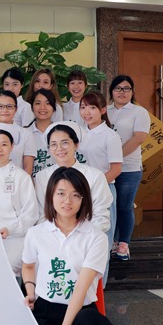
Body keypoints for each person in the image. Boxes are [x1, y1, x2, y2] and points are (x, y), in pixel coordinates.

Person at [22, 167, 117, 325]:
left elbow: (81, 288)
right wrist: (30, 291)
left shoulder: (95, 237)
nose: (68, 201)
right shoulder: (36, 233)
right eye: (61, 193)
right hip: (46, 308)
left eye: (75, 195)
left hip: (81, 308)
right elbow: (28, 265)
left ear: (84, 199)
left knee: (94, 324)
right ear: (51, 196)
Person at [0, 123, 38, 274]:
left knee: (4, 268)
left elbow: (31, 213)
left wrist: (10, 229)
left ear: (12, 147)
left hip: (16, 237)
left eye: (4, 144)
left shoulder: (21, 176)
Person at [34, 122, 112, 237]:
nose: (59, 148)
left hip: (87, 237)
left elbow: (100, 215)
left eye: (65, 143)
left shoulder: (95, 176)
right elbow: (42, 214)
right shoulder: (42, 177)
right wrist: (55, 237)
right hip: (53, 238)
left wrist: (81, 237)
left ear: (76, 145)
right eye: (53, 144)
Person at [79, 92, 124, 278]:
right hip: (79, 193)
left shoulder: (110, 136)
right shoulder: (80, 133)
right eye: (83, 107)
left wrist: (94, 186)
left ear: (103, 110)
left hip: (103, 190)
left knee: (102, 239)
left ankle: (100, 286)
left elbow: (116, 169)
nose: (87, 112)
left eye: (92, 108)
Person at [106, 75, 149, 261]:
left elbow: (139, 138)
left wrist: (116, 157)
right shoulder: (105, 110)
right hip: (107, 167)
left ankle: (124, 243)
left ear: (132, 92)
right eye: (118, 88)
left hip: (129, 168)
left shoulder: (139, 112)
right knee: (110, 206)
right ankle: (112, 241)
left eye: (126, 89)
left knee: (124, 206)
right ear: (111, 91)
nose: (122, 92)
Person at [27, 89, 57, 178]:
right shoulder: (25, 134)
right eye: (38, 103)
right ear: (32, 107)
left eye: (48, 103)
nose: (43, 107)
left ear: (54, 107)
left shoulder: (62, 133)